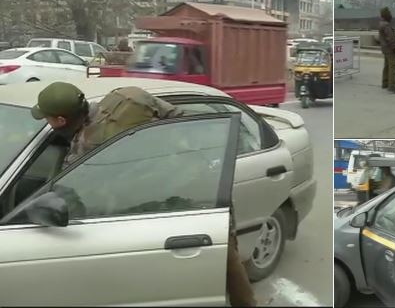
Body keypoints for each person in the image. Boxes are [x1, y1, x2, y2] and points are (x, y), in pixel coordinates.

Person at [31, 81, 257, 307]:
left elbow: (77, 189)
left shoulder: (88, 145)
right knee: (226, 253)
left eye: (48, 119)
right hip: (205, 181)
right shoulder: (127, 95)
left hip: (173, 199)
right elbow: (182, 118)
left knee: (216, 261)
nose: (48, 123)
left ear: (61, 120)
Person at [378, 7, 395, 94]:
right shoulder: (386, 25)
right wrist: (394, 47)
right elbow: (390, 38)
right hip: (390, 49)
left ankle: (385, 83)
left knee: (386, 66)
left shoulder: (381, 24)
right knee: (392, 67)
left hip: (385, 48)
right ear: (387, 15)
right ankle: (392, 86)